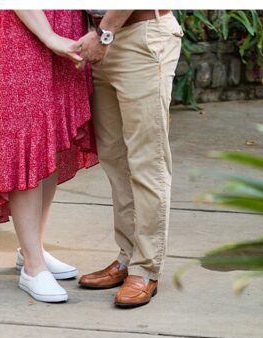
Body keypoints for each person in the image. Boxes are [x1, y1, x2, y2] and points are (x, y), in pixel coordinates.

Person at [0, 10, 100, 303]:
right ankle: (34, 268)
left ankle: (32, 249)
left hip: (67, 26)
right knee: (29, 137)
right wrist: (48, 35)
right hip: (26, 30)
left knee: (51, 139)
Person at [75, 10, 184, 307]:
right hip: (102, 40)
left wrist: (104, 33)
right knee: (116, 159)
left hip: (141, 36)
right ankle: (128, 257)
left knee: (147, 159)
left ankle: (146, 268)